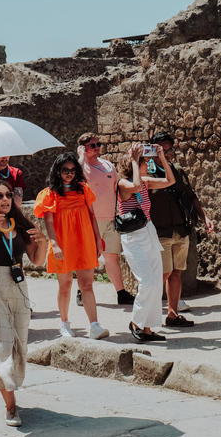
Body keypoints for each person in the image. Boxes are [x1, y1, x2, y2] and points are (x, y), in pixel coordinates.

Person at [0, 180, 47, 426]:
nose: (4, 199)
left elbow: (36, 260)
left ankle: (11, 386)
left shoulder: (22, 224)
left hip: (17, 285)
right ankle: (11, 406)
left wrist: (43, 242)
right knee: (0, 348)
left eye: (8, 195)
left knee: (18, 345)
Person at [34, 152, 108, 340]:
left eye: (73, 170)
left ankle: (94, 325)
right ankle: (64, 324)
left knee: (87, 284)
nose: (69, 174)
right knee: (65, 285)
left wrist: (98, 239)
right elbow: (48, 222)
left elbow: (92, 216)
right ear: (58, 171)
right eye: (65, 170)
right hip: (62, 242)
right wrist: (55, 245)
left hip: (84, 239)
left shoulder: (83, 189)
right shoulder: (50, 193)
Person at [147, 132, 214, 326]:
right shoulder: (147, 172)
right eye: (160, 149)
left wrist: (205, 217)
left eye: (168, 149)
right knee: (162, 274)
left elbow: (191, 196)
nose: (165, 153)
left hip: (180, 229)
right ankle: (145, 318)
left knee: (176, 272)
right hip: (160, 231)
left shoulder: (177, 170)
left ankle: (173, 315)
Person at [117, 143, 175, 342]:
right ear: (133, 163)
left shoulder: (145, 182)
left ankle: (147, 328)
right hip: (134, 238)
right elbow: (134, 187)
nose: (148, 164)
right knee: (148, 282)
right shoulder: (123, 184)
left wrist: (162, 157)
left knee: (156, 283)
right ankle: (136, 323)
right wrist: (134, 160)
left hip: (149, 233)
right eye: (145, 161)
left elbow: (169, 180)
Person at [77, 133, 136, 306]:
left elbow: (117, 189)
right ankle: (82, 291)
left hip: (110, 218)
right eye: (91, 146)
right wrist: (81, 157)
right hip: (89, 220)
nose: (96, 148)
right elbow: (76, 180)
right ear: (82, 148)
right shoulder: (80, 166)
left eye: (97, 144)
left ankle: (121, 293)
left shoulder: (108, 165)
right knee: (88, 258)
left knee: (112, 257)